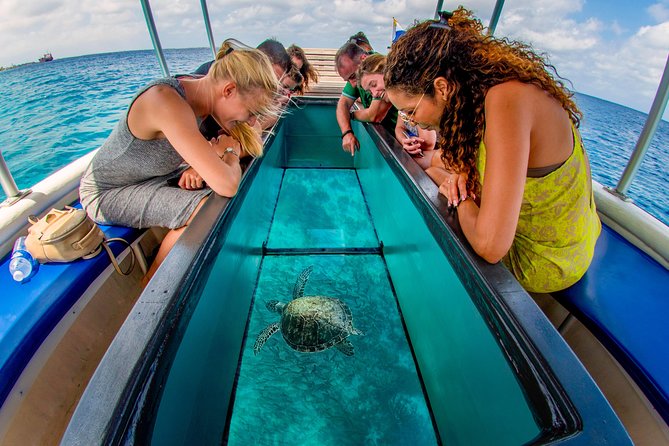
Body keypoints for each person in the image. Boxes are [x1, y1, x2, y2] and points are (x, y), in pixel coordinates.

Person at [384, 8, 601, 293]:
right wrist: (456, 175)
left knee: (439, 202)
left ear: (442, 87)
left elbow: (490, 246)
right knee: (437, 169)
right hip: (578, 230)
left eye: (411, 111)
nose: (414, 121)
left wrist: (459, 198)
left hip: (547, 259)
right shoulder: (485, 93)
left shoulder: (507, 100)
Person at [79, 40, 280, 282]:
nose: (249, 121)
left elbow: (254, 135)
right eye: (250, 112)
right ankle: (151, 290)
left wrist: (226, 152)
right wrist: (229, 151)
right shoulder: (166, 100)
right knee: (206, 210)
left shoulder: (205, 98)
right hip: (108, 192)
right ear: (228, 90)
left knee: (215, 197)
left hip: (153, 177)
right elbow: (228, 184)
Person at [356, 54, 436, 169]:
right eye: (369, 91)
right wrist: (404, 140)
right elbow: (399, 127)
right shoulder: (398, 102)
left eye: (374, 84)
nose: (375, 94)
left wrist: (412, 144)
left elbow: (428, 143)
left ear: (387, 73)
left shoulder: (411, 94)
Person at [335, 41, 396, 155]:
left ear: (363, 59)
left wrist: (351, 115)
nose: (352, 84)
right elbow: (343, 104)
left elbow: (374, 115)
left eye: (352, 77)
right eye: (348, 80)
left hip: (402, 136)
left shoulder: (379, 71)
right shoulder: (358, 75)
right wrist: (346, 132)